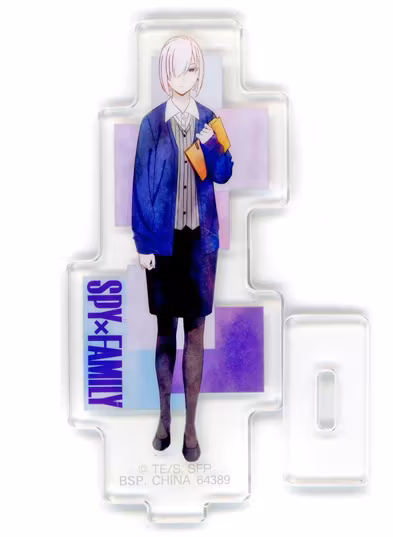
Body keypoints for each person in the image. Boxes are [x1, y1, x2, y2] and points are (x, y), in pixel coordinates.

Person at [131, 35, 233, 462]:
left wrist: (211, 144)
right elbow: (140, 185)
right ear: (164, 75)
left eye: (191, 69)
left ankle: (191, 426)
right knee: (164, 331)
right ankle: (163, 419)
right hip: (162, 244)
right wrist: (143, 242)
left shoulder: (210, 120)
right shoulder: (151, 124)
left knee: (195, 332)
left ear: (199, 72)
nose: (184, 78)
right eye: (176, 70)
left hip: (199, 245)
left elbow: (224, 174)